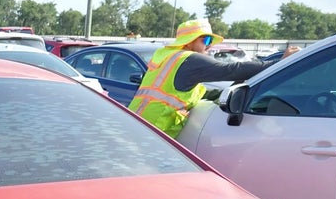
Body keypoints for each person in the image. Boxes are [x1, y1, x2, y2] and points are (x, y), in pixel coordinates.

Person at [128, 19, 299, 138]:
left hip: (137, 123)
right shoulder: (189, 59)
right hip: (154, 130)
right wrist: (280, 62)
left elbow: (183, 92)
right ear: (189, 41)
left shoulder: (167, 56)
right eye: (206, 40)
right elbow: (232, 70)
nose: (210, 45)